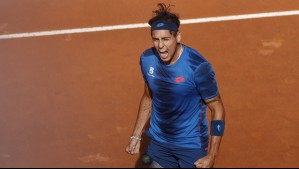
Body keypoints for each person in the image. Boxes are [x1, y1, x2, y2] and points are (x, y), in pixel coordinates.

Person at [125, 3, 226, 168]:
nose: (160, 46)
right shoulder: (147, 59)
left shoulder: (197, 66)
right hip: (160, 142)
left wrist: (212, 155)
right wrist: (136, 135)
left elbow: (218, 108)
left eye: (165, 39)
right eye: (156, 39)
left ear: (177, 37)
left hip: (191, 144)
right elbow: (148, 96)